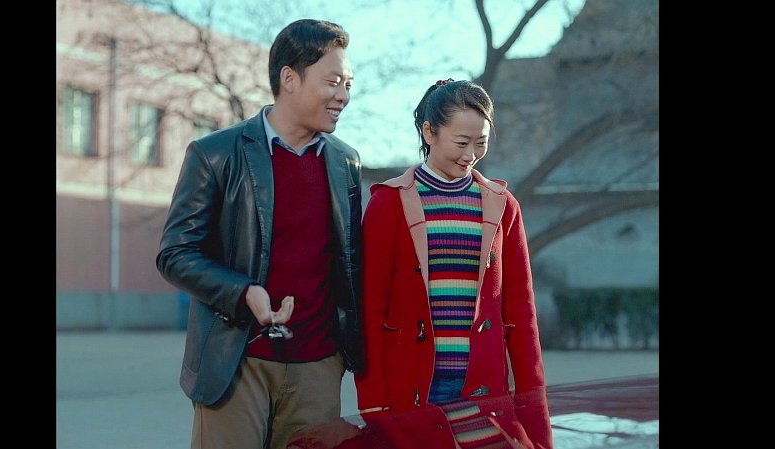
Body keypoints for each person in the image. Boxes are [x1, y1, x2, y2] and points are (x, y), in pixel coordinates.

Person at [156, 19, 364, 449]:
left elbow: (352, 262)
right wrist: (242, 292)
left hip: (318, 366)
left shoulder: (346, 162)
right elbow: (175, 253)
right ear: (289, 78)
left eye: (348, 84)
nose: (344, 95)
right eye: (333, 82)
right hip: (236, 360)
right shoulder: (215, 153)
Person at [354, 79, 553, 449]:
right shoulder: (389, 203)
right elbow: (370, 307)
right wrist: (373, 401)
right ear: (429, 132)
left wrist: (534, 411)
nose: (471, 154)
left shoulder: (503, 205)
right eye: (462, 143)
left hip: (485, 390)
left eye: (481, 142)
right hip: (413, 390)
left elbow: (521, 314)